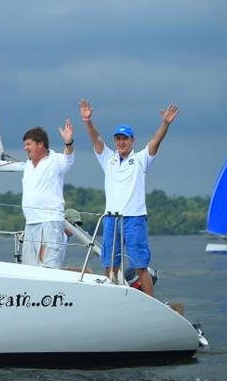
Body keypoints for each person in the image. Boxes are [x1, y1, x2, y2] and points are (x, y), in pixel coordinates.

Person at [79, 98, 179, 296]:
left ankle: (152, 304)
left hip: (134, 219)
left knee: (141, 266)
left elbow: (155, 141)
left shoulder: (141, 159)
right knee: (109, 265)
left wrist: (165, 124)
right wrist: (87, 121)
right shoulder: (109, 159)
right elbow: (96, 140)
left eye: (125, 138)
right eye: (118, 139)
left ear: (132, 141)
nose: (121, 142)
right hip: (111, 219)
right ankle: (113, 299)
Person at [20, 122, 75, 269]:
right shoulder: (27, 165)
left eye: (28, 144)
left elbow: (68, 158)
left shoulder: (55, 160)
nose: (25, 148)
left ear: (40, 144)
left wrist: (68, 142)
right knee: (29, 267)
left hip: (49, 221)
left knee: (49, 266)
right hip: (31, 222)